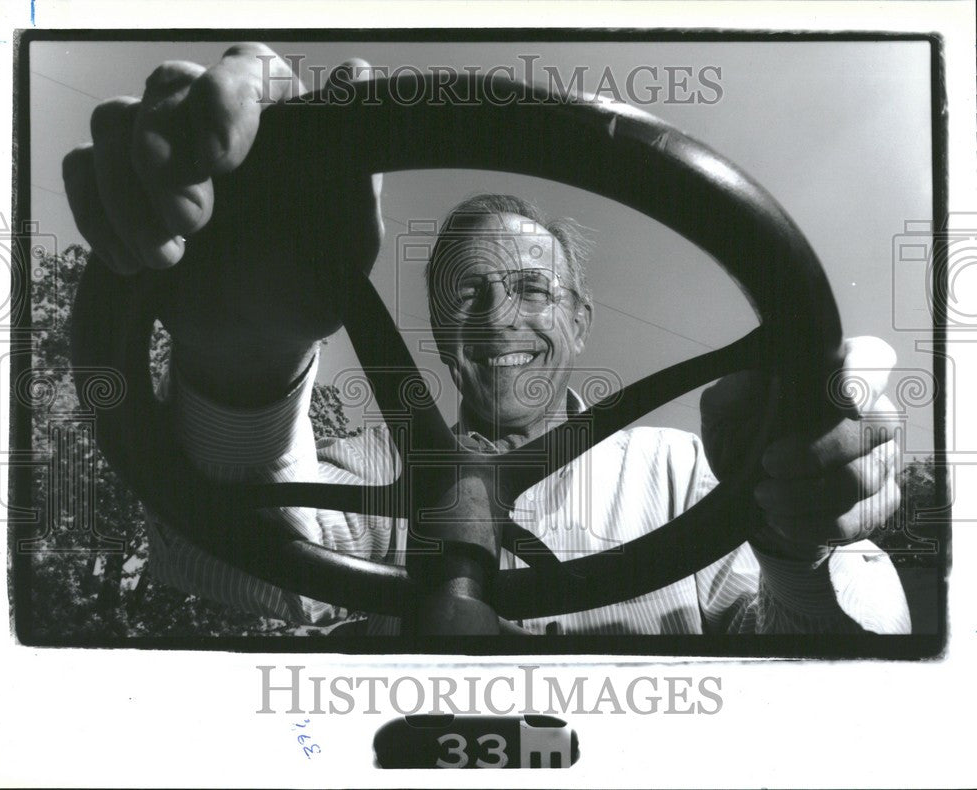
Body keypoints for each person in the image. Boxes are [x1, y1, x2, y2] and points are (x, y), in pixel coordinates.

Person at [63, 44, 910, 635]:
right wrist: (243, 352)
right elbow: (231, 559)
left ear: (581, 318)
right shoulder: (360, 468)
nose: (500, 316)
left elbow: (821, 657)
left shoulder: (685, 474)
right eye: (469, 292)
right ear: (438, 333)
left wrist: (799, 526)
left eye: (534, 288)